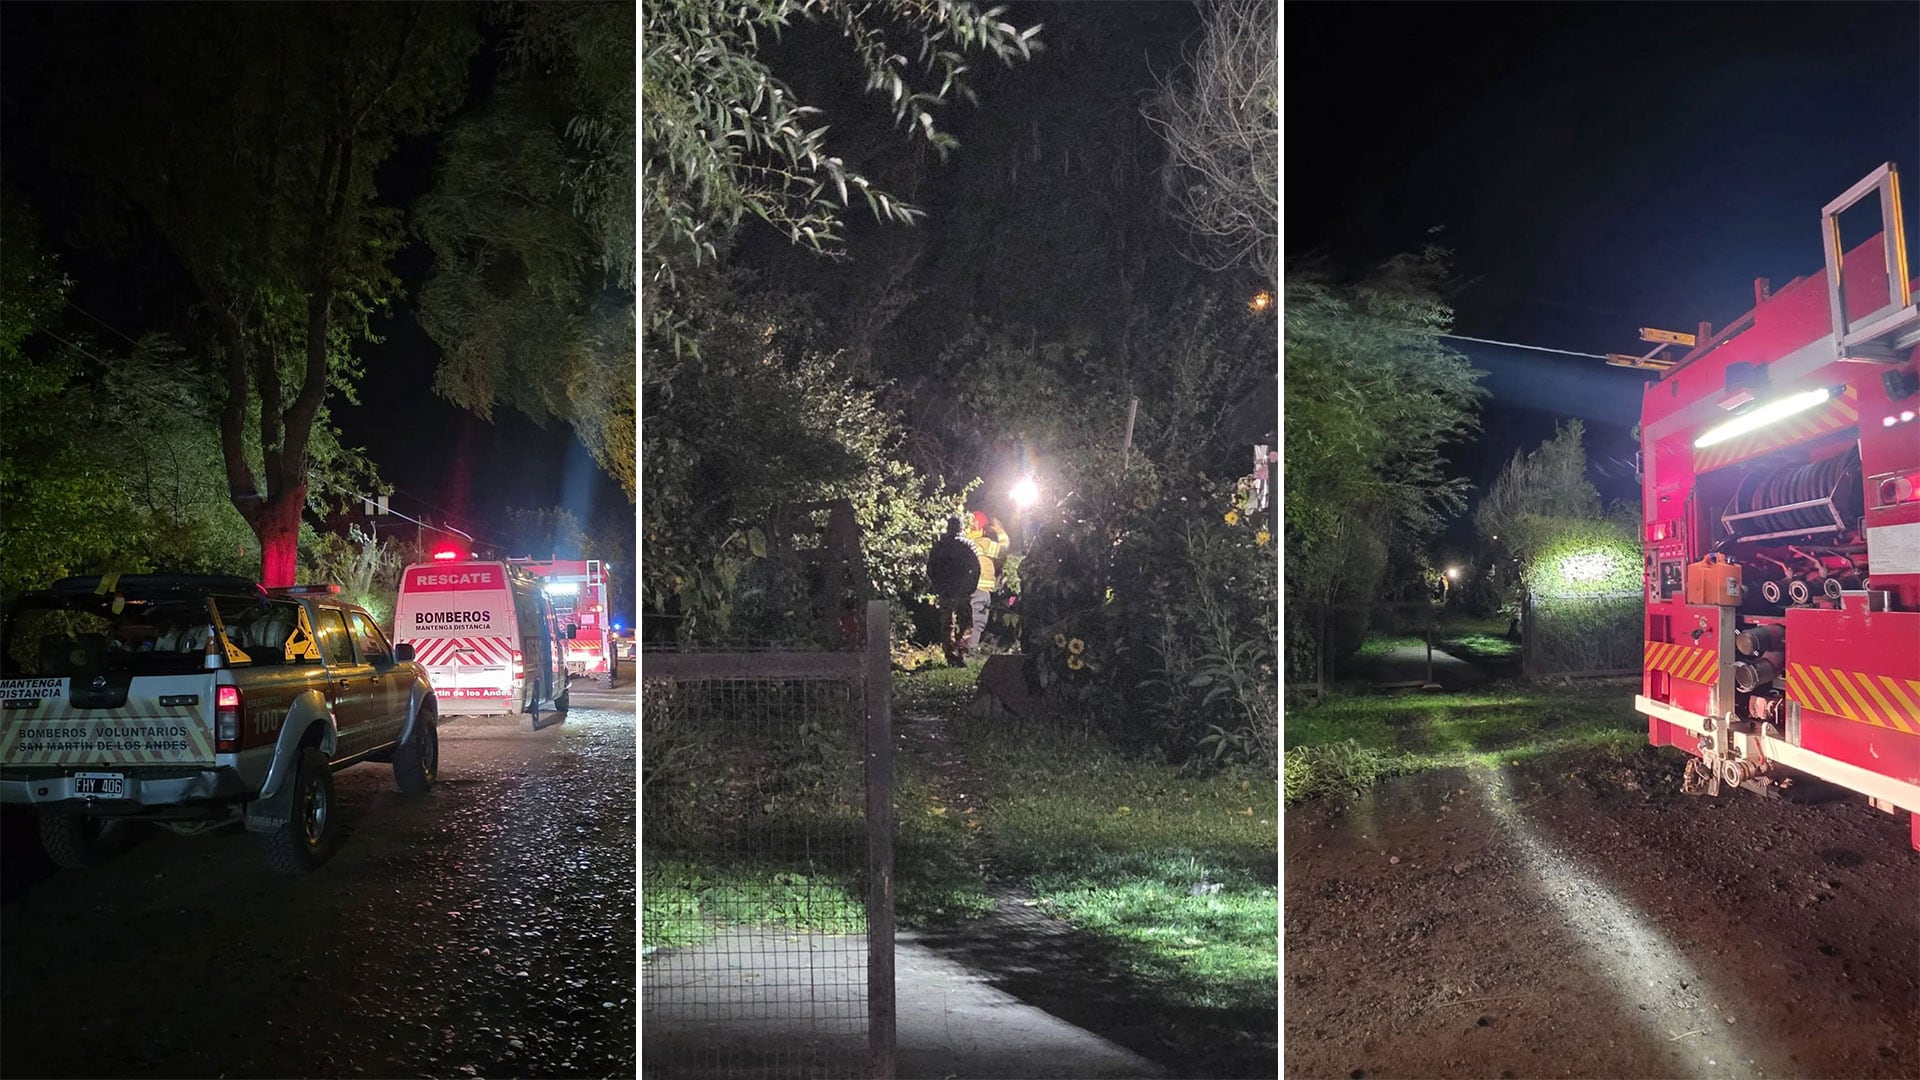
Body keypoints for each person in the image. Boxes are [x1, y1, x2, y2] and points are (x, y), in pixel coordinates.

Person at [927, 515, 982, 666]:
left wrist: (938, 586)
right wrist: (971, 586)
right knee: (966, 622)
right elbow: (976, 568)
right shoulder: (968, 545)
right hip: (963, 590)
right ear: (961, 527)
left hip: (945, 589)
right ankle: (960, 650)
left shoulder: (939, 546)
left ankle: (950, 653)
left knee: (947, 623)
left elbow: (930, 568)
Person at [963, 511, 1009, 651]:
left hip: (967, 589)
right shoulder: (983, 543)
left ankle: (961, 648)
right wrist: (999, 530)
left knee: (967, 621)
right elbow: (1003, 549)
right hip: (981, 588)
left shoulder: (965, 542)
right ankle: (970, 650)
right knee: (978, 622)